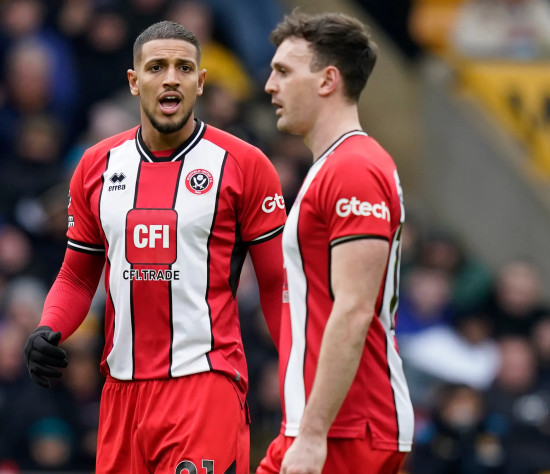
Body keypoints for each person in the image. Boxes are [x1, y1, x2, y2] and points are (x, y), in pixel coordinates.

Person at [22, 21, 286, 474]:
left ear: (200, 83)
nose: (170, 78)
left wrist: (298, 383)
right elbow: (77, 275)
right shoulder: (96, 166)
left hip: (204, 385)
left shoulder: (244, 165)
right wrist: (48, 328)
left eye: (184, 68)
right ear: (133, 81)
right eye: (157, 66)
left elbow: (278, 284)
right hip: (122, 393)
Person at [258, 11, 414, 474]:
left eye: (284, 71)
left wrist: (312, 434)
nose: (269, 85)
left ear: (328, 80)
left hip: (347, 429)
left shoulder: (353, 168)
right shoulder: (337, 165)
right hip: (328, 426)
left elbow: (352, 308)